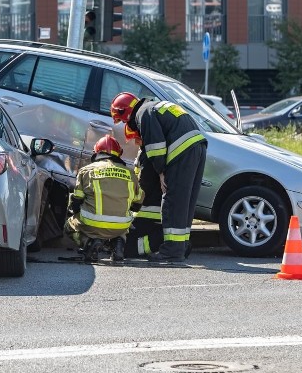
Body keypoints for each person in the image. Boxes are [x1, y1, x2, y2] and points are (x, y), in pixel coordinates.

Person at [110, 92, 207, 263]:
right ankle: (181, 246)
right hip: (197, 146)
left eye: (124, 121)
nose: (127, 125)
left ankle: (172, 251)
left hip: (181, 149)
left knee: (173, 200)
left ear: (126, 113)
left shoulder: (143, 114)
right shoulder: (154, 106)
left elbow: (156, 147)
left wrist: (161, 172)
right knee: (185, 201)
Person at [64, 135, 140, 262]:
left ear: (96, 152)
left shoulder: (86, 170)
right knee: (122, 222)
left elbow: (77, 200)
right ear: (118, 154)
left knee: (69, 226)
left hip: (91, 223)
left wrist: (74, 210)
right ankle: (118, 242)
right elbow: (137, 203)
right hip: (121, 225)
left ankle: (88, 243)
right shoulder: (130, 173)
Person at [123, 125, 165, 258]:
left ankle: (161, 241)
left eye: (137, 138)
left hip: (149, 213)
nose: (135, 142)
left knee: (127, 251)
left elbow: (143, 185)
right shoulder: (146, 152)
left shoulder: (148, 155)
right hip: (146, 211)